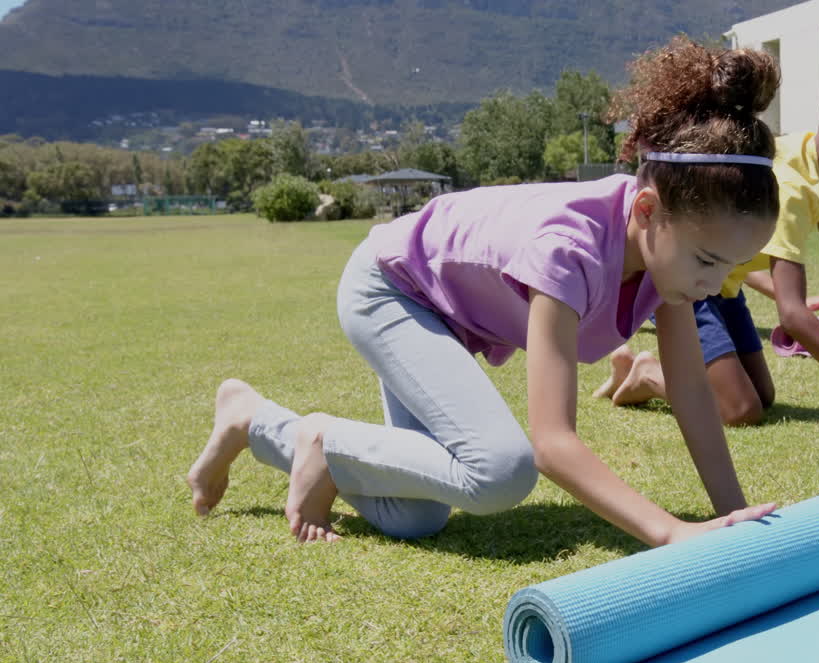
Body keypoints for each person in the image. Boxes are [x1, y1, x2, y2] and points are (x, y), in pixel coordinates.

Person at [185, 37, 781, 545]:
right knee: (501, 471)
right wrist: (670, 531)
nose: (712, 283)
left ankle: (254, 421)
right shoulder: (569, 249)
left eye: (731, 264)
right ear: (648, 210)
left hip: (449, 316)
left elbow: (691, 392)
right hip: (393, 289)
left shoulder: (674, 262)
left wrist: (733, 514)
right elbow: (551, 442)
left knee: (412, 516)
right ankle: (324, 436)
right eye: (707, 261)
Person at [598, 50, 819, 426]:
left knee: (763, 395)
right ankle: (649, 376)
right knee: (740, 409)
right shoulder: (792, 187)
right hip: (689, 279)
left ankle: (652, 373)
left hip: (723, 287)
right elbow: (792, 314)